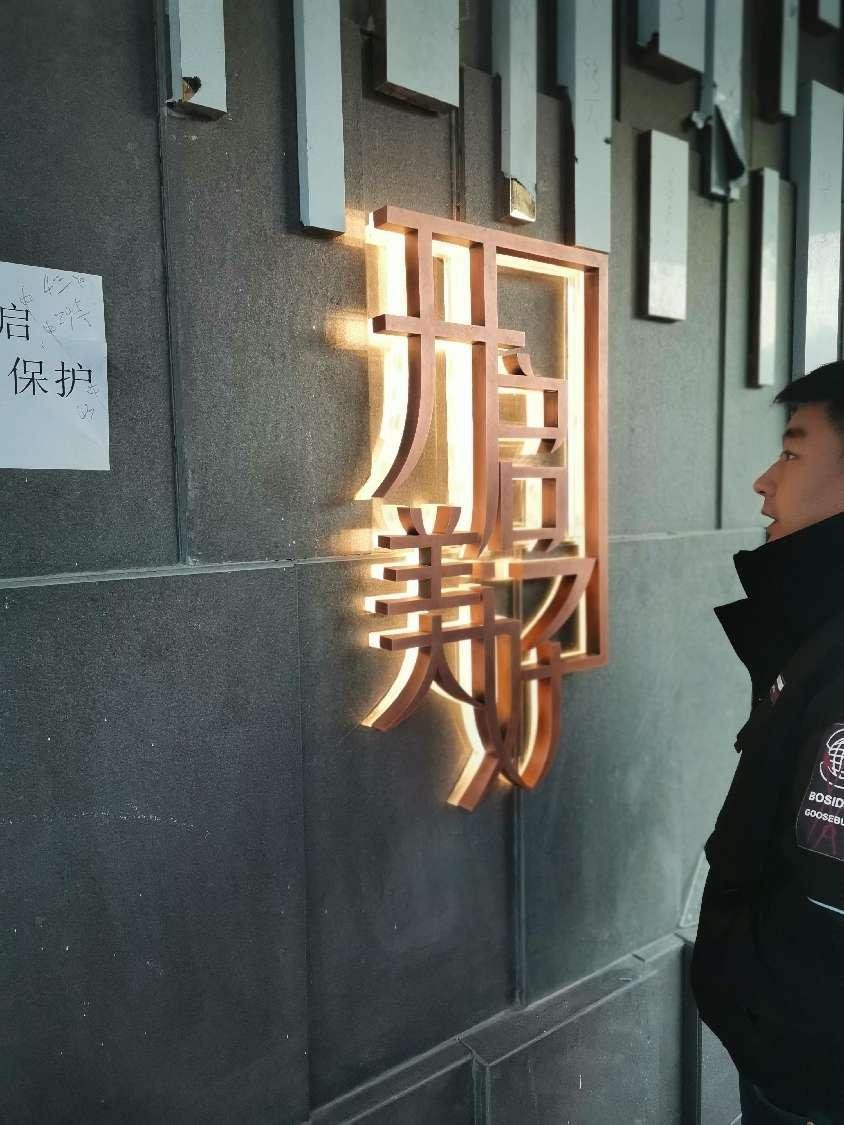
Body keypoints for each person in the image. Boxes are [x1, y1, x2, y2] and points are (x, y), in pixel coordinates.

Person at [692, 361, 844, 1124]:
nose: (764, 482)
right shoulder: (819, 630)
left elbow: (826, 908)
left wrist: (764, 1019)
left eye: (791, 452)